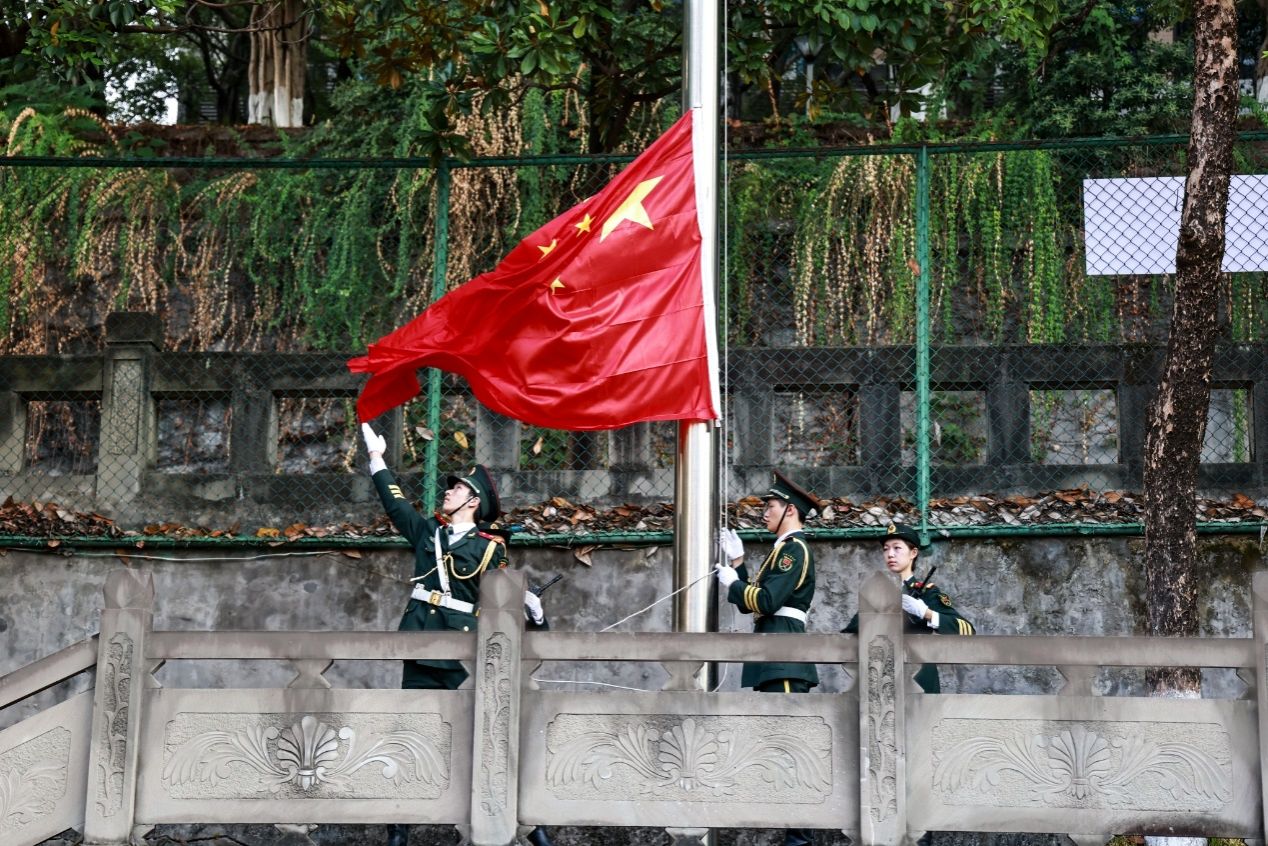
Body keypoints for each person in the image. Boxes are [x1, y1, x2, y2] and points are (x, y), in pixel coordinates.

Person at [361, 423, 553, 846]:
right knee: (410, 736)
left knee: (485, 741)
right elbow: (396, 506)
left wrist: (534, 613)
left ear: (474, 501)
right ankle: (399, 831)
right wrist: (377, 460)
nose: (448, 492)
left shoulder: (490, 548)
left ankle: (533, 830)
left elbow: (501, 607)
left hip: (464, 653)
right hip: (421, 642)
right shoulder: (428, 533)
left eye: (458, 488)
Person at [715, 470, 821, 846]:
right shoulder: (782, 549)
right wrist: (739, 563)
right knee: (779, 749)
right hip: (774, 654)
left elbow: (767, 601)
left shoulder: (794, 550)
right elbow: (754, 602)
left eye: (771, 506)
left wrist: (734, 583)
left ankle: (800, 839)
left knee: (791, 750)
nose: (764, 513)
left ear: (790, 510)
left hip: (785, 655)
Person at [842, 521, 975, 693]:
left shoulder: (927, 592)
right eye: (886, 549)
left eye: (897, 548)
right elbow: (850, 632)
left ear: (913, 553)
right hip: (881, 682)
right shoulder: (877, 593)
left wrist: (926, 612)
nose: (890, 554)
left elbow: (966, 630)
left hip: (918, 679)